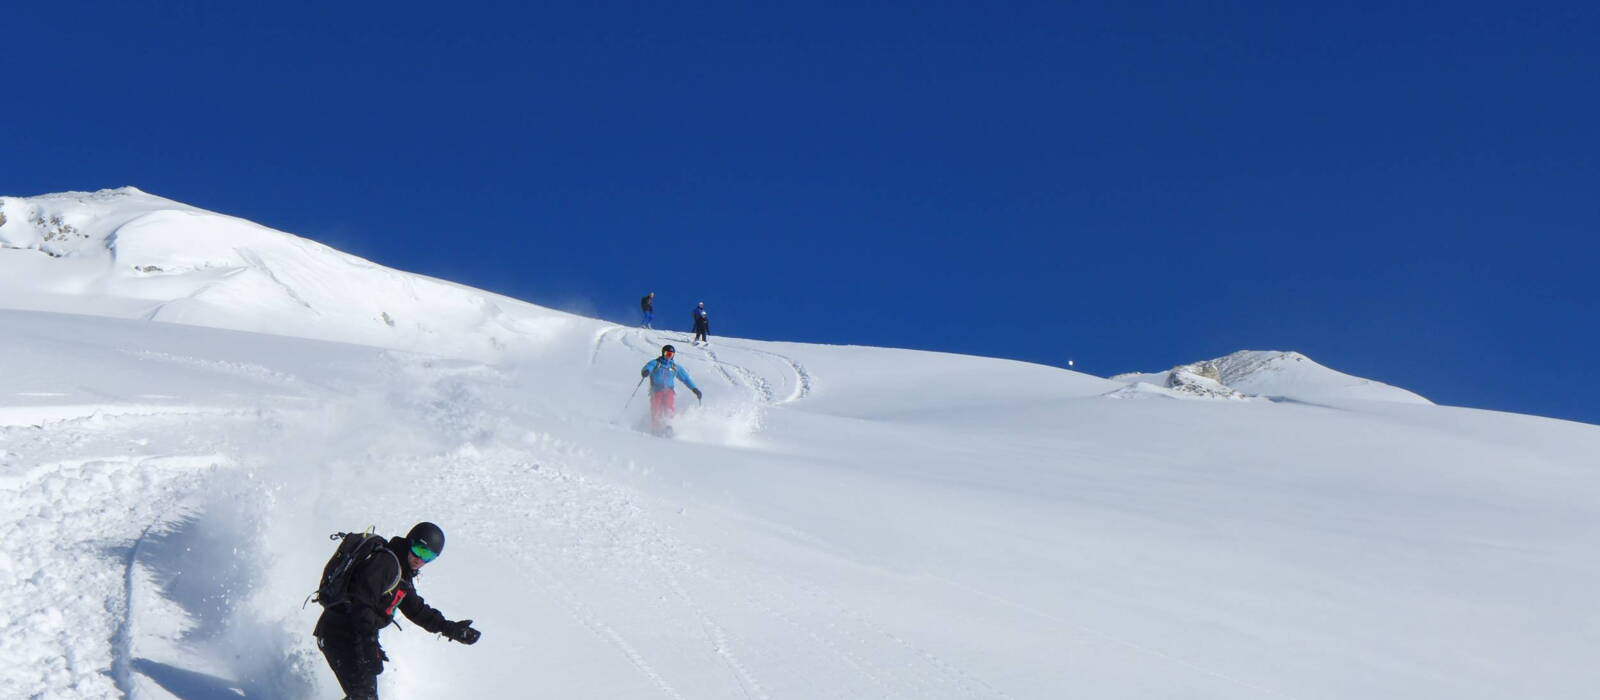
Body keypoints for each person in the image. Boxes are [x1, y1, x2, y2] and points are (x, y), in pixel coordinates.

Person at [314, 522, 481, 700]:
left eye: (428, 556)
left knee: (364, 696)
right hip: (338, 633)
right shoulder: (386, 564)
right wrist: (369, 644)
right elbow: (361, 603)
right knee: (364, 697)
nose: (420, 560)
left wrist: (451, 628)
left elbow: (416, 610)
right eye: (419, 550)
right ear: (410, 542)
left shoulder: (402, 573)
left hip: (354, 637)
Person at [640, 344, 701, 435]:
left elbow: (685, 378)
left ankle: (668, 425)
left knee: (669, 406)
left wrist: (695, 389)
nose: (668, 356)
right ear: (663, 353)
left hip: (669, 391)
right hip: (656, 390)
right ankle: (655, 427)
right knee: (656, 408)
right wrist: (646, 371)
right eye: (667, 354)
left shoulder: (674, 367)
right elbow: (648, 367)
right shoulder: (656, 363)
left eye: (671, 354)